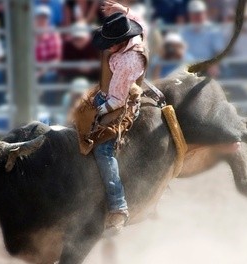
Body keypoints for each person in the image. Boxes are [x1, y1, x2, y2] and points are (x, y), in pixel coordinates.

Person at [89, 0, 148, 234]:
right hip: (116, 91)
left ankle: (118, 206)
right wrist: (123, 11)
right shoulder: (135, 34)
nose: (107, 47)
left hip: (121, 103)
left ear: (121, 42)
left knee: (103, 150)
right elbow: (140, 22)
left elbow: (117, 101)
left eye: (110, 44)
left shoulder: (127, 61)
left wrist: (96, 111)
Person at [180, 0, 224, 77]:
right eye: (194, 14)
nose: (197, 16)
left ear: (205, 14)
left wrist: (214, 64)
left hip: (207, 66)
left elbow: (218, 51)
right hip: (188, 67)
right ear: (190, 15)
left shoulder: (214, 29)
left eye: (199, 13)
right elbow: (181, 51)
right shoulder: (184, 32)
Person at [34, 5, 63, 105]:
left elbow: (56, 59)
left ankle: (49, 109)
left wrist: (40, 72)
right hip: (31, 69)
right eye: (39, 17)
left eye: (44, 18)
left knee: (49, 77)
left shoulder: (53, 34)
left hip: (48, 70)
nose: (41, 20)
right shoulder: (28, 34)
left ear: (48, 20)